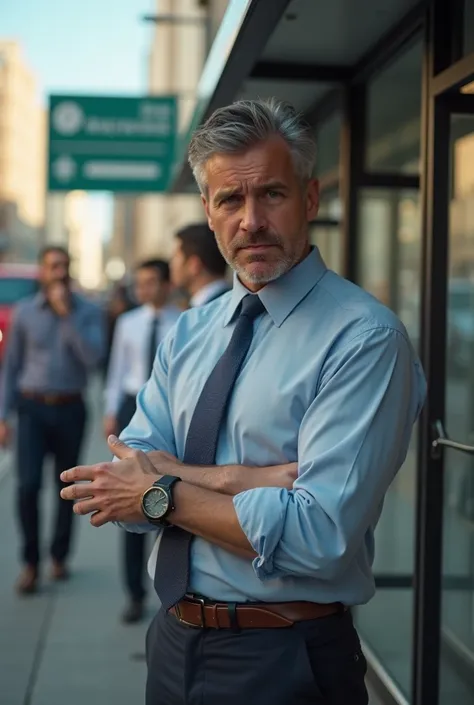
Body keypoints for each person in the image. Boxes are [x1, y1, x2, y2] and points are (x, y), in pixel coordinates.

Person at [60, 99, 426, 705]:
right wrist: (241, 479)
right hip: (173, 643)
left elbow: (317, 535)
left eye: (272, 195)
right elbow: (118, 488)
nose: (251, 220)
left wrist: (164, 487)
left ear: (310, 200)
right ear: (209, 210)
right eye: (231, 199)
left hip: (285, 658)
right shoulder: (190, 331)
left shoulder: (365, 338)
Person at [0, 245, 105, 595]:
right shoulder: (25, 312)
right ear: (43, 272)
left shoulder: (88, 312)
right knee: (27, 486)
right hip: (32, 408)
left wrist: (66, 316)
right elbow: (11, 367)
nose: (58, 271)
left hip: (71, 407)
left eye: (64, 265)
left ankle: (59, 556)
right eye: (52, 266)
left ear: (70, 269)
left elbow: (93, 359)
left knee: (66, 488)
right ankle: (31, 563)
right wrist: (3, 415)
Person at [103, 259, 180, 623]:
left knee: (166, 497)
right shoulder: (128, 322)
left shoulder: (184, 321)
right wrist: (109, 410)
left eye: (152, 282)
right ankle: (133, 593)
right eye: (141, 283)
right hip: (131, 406)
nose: (145, 289)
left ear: (167, 284)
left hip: (169, 412)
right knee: (131, 498)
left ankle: (168, 589)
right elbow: (117, 368)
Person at [170, 222, 229, 306]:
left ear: (194, 265)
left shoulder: (208, 312)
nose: (171, 265)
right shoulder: (237, 304)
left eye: (175, 256)